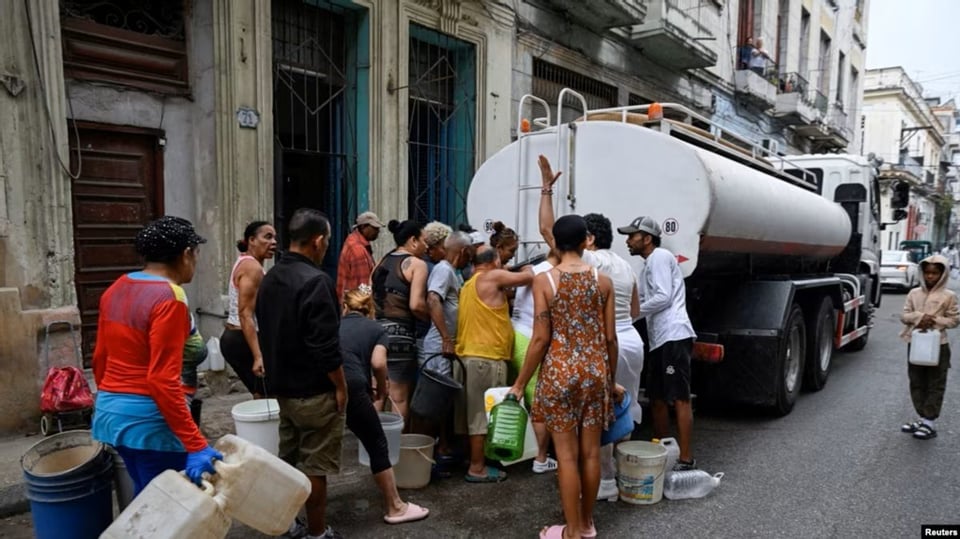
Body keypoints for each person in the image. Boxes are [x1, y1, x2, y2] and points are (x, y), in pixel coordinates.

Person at [537, 155, 645, 500]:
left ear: (589, 239)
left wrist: (546, 190)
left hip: (600, 349)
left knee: (595, 424)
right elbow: (636, 309)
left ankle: (606, 483)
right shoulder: (626, 267)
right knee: (622, 411)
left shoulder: (591, 262)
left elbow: (546, 232)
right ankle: (620, 476)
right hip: (633, 342)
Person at [92, 216, 222, 495]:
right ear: (186, 253)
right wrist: (196, 443)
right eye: (196, 254)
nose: (196, 263)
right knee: (169, 510)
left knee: (148, 500)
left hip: (111, 415)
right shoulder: (170, 298)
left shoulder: (116, 287)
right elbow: (162, 379)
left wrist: (115, 401)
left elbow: (100, 358)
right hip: (150, 421)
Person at [509, 215, 620, 539]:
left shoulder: (546, 281)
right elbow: (610, 339)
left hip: (558, 375)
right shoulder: (603, 282)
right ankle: (586, 524)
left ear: (555, 243)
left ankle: (570, 532)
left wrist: (519, 384)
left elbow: (541, 338)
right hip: (594, 374)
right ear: (587, 240)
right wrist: (609, 380)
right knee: (590, 453)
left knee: (567, 457)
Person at [256, 209, 347, 539]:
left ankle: (286, 523)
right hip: (314, 390)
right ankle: (318, 532)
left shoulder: (271, 278)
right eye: (327, 242)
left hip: (284, 389)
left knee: (289, 460)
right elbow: (325, 347)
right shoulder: (316, 281)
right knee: (315, 466)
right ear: (318, 241)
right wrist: (341, 387)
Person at [339, 286, 430, 524]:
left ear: (345, 308)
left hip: (326, 385)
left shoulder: (334, 326)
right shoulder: (376, 328)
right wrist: (382, 387)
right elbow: (378, 363)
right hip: (354, 387)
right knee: (377, 443)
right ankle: (395, 507)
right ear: (369, 309)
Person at [619, 215, 698, 471]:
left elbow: (663, 297)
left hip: (674, 335)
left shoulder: (660, 257)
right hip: (658, 339)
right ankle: (662, 451)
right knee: (656, 397)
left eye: (632, 236)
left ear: (647, 238)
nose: (628, 241)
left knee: (680, 397)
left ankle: (686, 458)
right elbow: (639, 301)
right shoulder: (646, 266)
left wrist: (634, 313)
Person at [456, 245, 533, 483]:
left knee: (469, 415)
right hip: (485, 359)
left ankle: (472, 459)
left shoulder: (469, 282)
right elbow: (528, 277)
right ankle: (477, 468)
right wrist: (526, 266)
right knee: (481, 416)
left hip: (467, 357)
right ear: (495, 261)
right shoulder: (493, 276)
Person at [372, 220, 430, 425]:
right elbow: (416, 305)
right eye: (424, 241)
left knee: (377, 394)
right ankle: (395, 451)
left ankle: (371, 448)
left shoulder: (381, 262)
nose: (427, 246)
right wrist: (431, 316)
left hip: (376, 334)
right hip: (400, 336)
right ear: (413, 241)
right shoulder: (417, 264)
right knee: (399, 397)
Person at [510, 248, 560, 475]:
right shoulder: (552, 274)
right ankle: (540, 458)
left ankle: (522, 450)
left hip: (516, 335)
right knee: (538, 403)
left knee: (525, 401)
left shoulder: (532, 271)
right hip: (531, 339)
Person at [899, 254, 959, 440]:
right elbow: (904, 315)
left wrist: (933, 320)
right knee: (917, 381)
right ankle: (922, 417)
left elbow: (955, 319)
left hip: (938, 345)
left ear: (942, 275)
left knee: (935, 382)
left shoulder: (949, 296)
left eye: (935, 273)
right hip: (916, 344)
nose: (930, 277)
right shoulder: (914, 293)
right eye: (927, 273)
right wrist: (918, 318)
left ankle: (929, 422)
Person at [220, 221, 277, 397]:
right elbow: (245, 314)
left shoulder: (246, 262)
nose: (274, 242)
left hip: (236, 337)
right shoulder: (252, 268)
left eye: (274, 238)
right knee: (267, 392)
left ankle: (261, 424)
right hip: (243, 339)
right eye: (267, 237)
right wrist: (258, 356)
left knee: (260, 391)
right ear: (252, 240)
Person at [336, 211, 384, 301]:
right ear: (363, 227)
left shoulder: (352, 240)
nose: (378, 231)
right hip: (356, 305)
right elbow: (362, 286)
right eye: (374, 228)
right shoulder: (358, 250)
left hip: (348, 302)